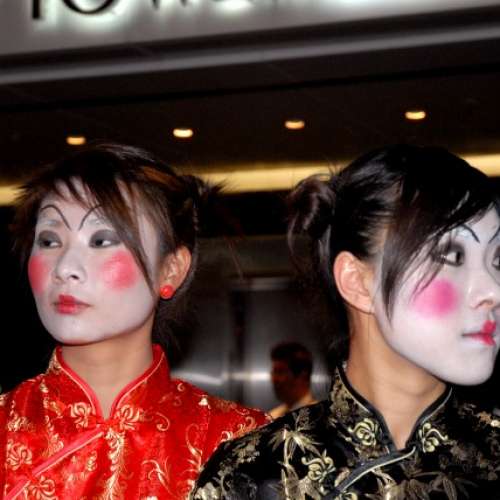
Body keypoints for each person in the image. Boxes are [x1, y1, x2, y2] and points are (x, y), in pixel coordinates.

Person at [193, 145, 500, 499]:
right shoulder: (254, 475)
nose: (493, 291)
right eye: (451, 255)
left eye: (497, 260)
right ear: (357, 282)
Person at [0, 143, 268, 499]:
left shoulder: (243, 443)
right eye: (49, 241)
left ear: (171, 269)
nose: (65, 268)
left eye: (101, 240)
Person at [269, 342, 317, 419]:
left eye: (280, 372)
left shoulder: (318, 417)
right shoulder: (273, 416)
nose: (274, 379)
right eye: (274, 372)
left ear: (302, 376)